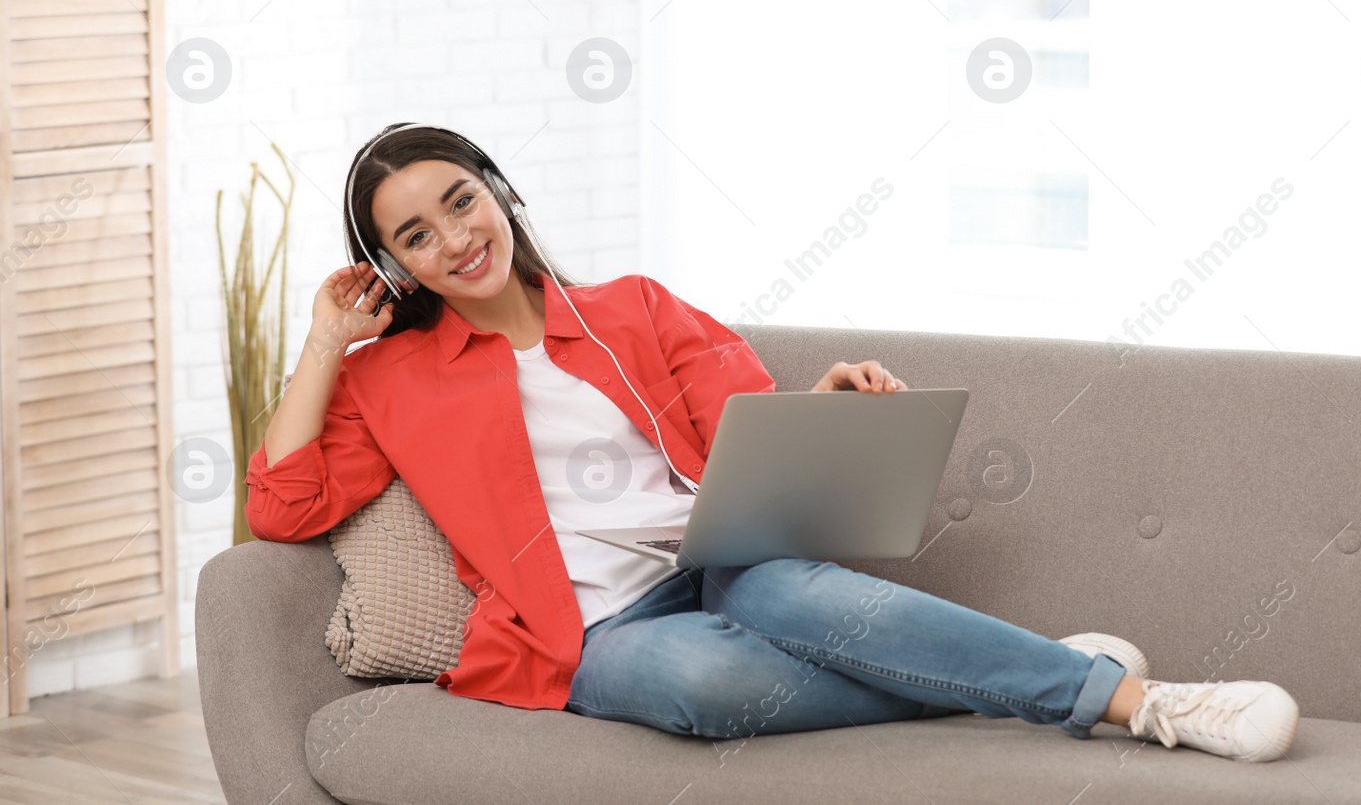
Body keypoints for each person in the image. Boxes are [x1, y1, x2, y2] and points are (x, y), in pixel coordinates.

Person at [247, 123, 1300, 764]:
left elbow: (741, 422)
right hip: (589, 631)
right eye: (414, 237)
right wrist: (325, 339)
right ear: (395, 269)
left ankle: (1144, 703)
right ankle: (1047, 670)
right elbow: (282, 505)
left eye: (459, 201)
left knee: (789, 593)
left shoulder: (631, 307)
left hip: (723, 563)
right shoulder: (387, 382)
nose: (454, 239)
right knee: (705, 689)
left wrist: (824, 406)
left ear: (501, 192)